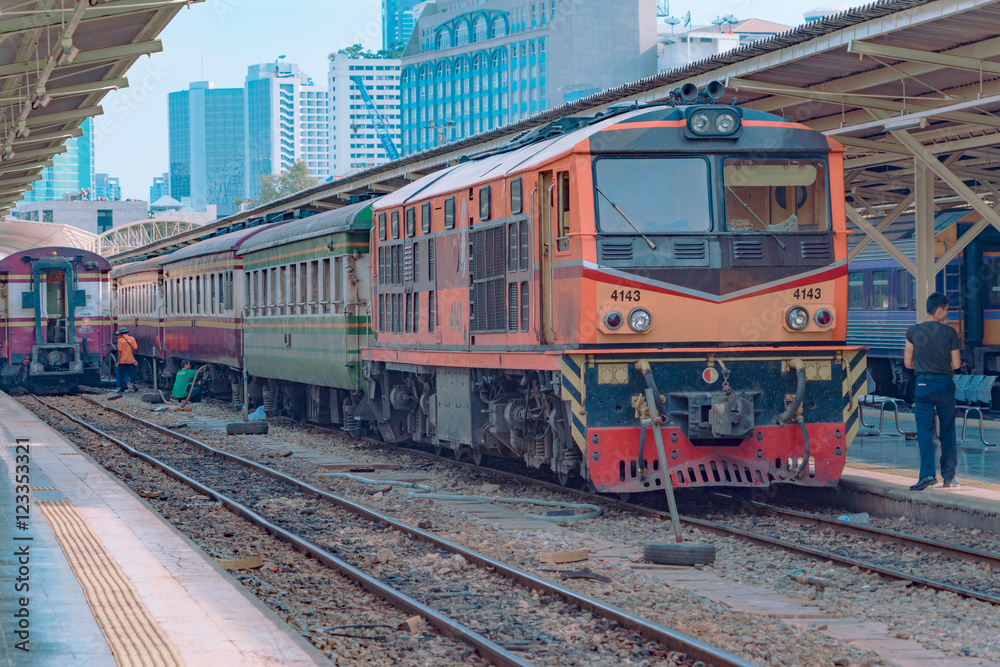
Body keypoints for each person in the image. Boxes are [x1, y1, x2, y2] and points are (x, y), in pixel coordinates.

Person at [904, 292, 962, 491]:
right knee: (947, 431)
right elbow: (956, 363)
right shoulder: (950, 333)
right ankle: (949, 477)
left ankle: (927, 475)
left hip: (923, 385)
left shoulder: (913, 332)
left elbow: (907, 362)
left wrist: (922, 365)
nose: (947, 314)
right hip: (945, 385)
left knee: (925, 431)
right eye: (947, 310)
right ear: (939, 310)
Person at [114, 327, 138, 393]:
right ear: (127, 332)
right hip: (131, 360)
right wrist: (135, 359)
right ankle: (133, 383)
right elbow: (135, 348)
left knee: (121, 374)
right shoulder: (132, 339)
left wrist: (118, 361)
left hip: (122, 360)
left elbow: (119, 351)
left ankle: (122, 389)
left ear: (121, 334)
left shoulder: (120, 340)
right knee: (132, 373)